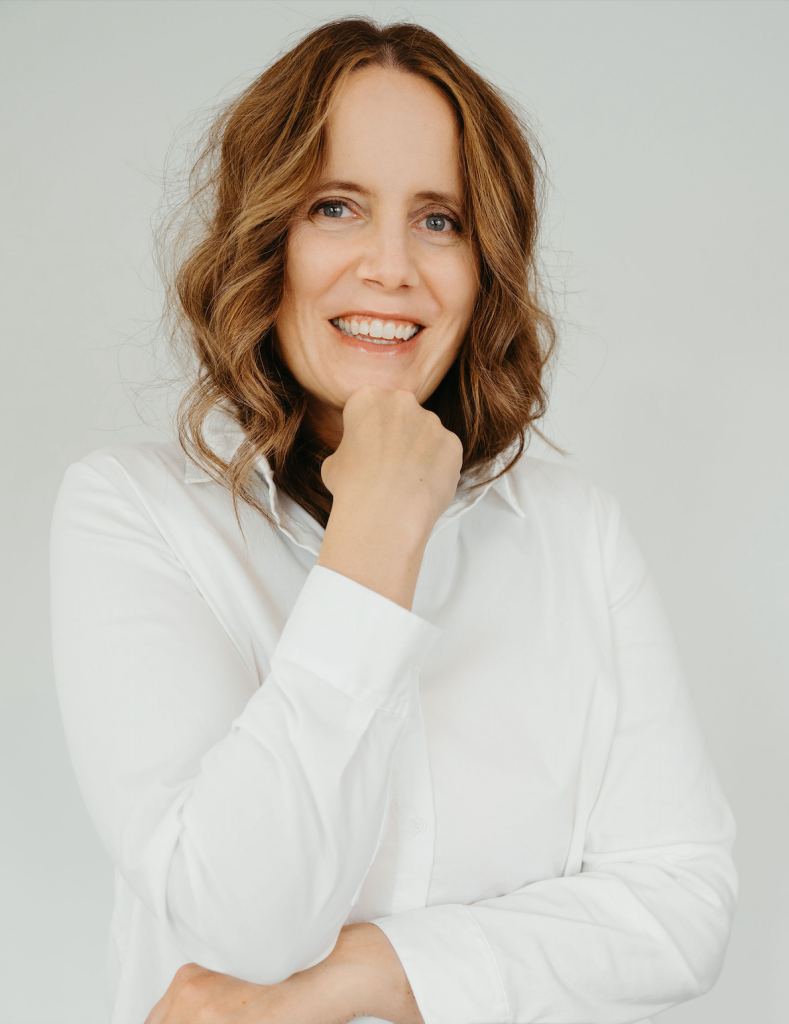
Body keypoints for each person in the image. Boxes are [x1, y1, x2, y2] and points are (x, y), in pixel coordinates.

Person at [49, 16, 738, 1024]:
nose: (391, 267)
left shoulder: (573, 532)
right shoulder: (134, 514)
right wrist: (374, 535)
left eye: (440, 219)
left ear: (484, 263)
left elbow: (686, 901)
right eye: (337, 207)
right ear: (268, 238)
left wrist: (358, 978)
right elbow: (242, 922)